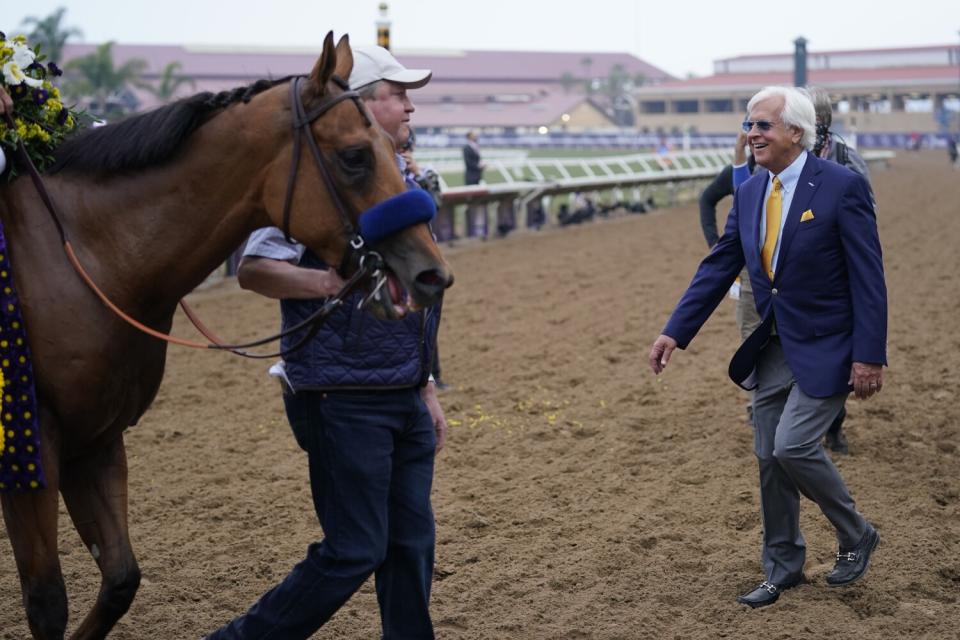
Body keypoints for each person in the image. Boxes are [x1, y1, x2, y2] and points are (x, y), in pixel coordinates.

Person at [206, 45, 447, 640]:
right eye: (396, 93)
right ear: (360, 103)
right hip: (341, 396)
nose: (410, 105)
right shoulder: (316, 178)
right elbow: (254, 267)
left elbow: (421, 306)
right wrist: (329, 280)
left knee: (410, 543)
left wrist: (428, 385)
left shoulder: (400, 178)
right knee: (354, 550)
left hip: (402, 389)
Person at [649, 86, 886, 609]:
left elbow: (870, 278)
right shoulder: (752, 190)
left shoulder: (843, 186)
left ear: (794, 133)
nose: (751, 134)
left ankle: (856, 531)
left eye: (762, 126)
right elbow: (719, 265)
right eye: (749, 125)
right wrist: (674, 331)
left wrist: (869, 356)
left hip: (830, 346)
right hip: (771, 347)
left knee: (792, 445)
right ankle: (783, 567)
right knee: (767, 457)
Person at [698, 129, 761, 422]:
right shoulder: (739, 172)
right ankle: (756, 406)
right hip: (748, 269)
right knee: (751, 333)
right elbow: (706, 199)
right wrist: (715, 242)